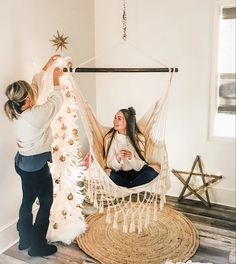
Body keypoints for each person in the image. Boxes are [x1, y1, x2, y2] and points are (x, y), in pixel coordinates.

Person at [4, 55, 63, 257]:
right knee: (45, 202)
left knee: (27, 200)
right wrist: (57, 80)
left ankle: (24, 240)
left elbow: (35, 88)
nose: (33, 93)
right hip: (36, 166)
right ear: (28, 99)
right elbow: (56, 101)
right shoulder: (35, 115)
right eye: (30, 93)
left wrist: (46, 66)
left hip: (22, 163)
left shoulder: (14, 110)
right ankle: (38, 246)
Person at [103, 107, 159, 188]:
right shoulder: (109, 138)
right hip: (119, 174)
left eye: (119, 118)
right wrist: (118, 158)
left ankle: (128, 187)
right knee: (107, 173)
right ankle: (132, 186)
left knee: (156, 170)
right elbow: (109, 165)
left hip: (136, 172)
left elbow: (140, 166)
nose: (114, 121)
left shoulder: (139, 138)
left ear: (128, 122)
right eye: (115, 118)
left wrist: (131, 158)